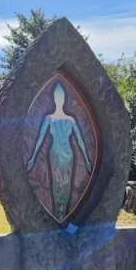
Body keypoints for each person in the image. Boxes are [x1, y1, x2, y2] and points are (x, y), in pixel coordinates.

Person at [26, 82, 94, 219]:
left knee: (64, 185)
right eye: (58, 97)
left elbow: (80, 140)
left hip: (65, 156)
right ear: (56, 99)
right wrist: (32, 158)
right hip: (58, 155)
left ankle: (62, 215)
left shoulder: (65, 119)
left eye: (60, 97)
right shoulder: (54, 119)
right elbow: (39, 139)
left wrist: (87, 159)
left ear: (62, 99)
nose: (59, 99)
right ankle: (58, 214)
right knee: (58, 184)